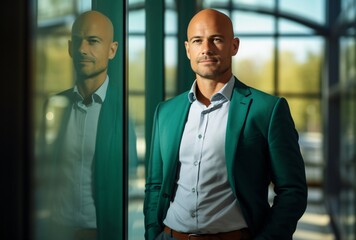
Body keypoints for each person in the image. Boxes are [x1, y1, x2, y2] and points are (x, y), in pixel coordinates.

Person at [144, 8, 307, 240]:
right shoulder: (166, 112)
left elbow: (293, 191)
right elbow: (155, 185)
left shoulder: (267, 110)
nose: (206, 49)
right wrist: (152, 232)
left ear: (234, 46)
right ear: (187, 49)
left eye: (217, 39)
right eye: (197, 41)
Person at [41, 10, 135, 240]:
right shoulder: (54, 105)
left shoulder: (123, 110)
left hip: (103, 233)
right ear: (69, 46)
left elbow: (132, 188)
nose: (83, 49)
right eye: (78, 41)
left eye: (93, 41)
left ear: (112, 50)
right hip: (56, 231)